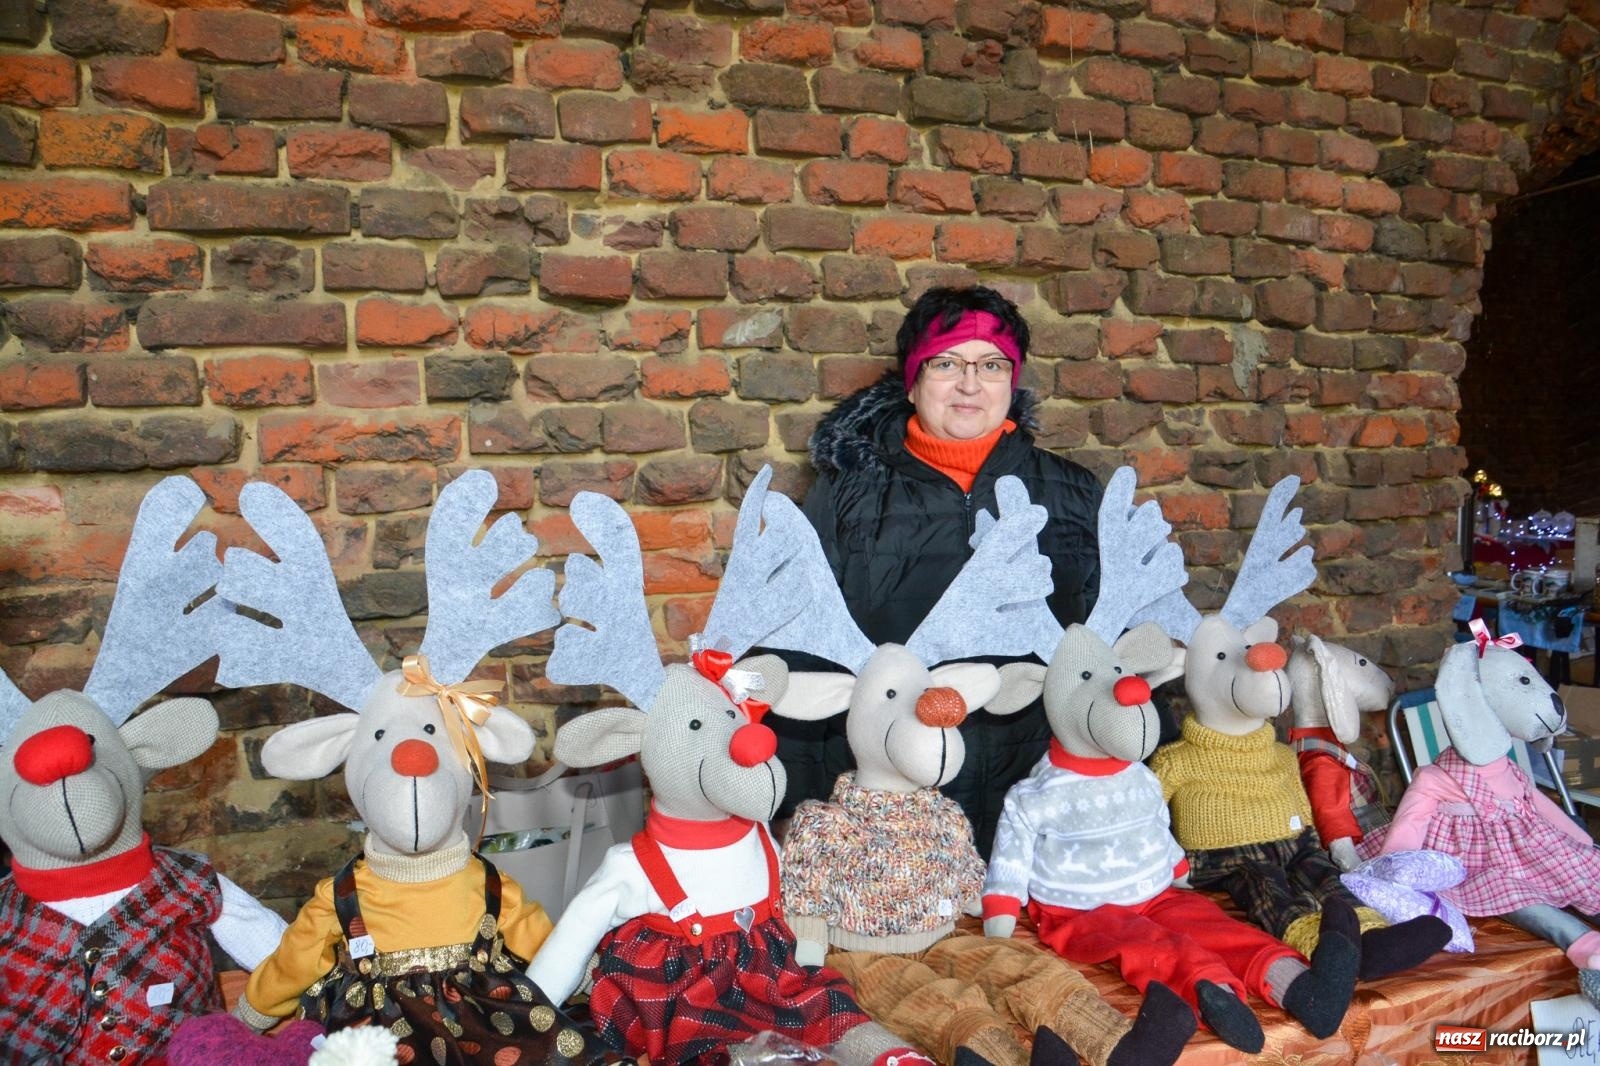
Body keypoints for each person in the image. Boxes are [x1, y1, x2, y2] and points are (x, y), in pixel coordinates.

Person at [772, 285, 1103, 857]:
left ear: (1012, 377)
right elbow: (807, 653)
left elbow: (1107, 648)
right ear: (915, 378)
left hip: (1039, 791)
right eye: (947, 362)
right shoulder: (845, 496)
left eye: (991, 365)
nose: (970, 384)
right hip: (893, 802)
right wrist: (798, 811)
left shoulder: (1073, 492)